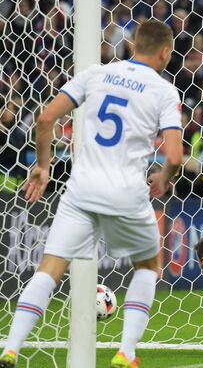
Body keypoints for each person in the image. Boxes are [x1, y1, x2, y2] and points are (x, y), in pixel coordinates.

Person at [0, 20, 183, 368]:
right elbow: (174, 156)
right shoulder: (163, 91)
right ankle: (126, 352)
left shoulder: (95, 74)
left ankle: (11, 345)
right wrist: (164, 176)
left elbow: (44, 119)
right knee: (148, 266)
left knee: (48, 270)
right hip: (126, 193)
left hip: (80, 190)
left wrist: (43, 165)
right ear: (164, 52)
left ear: (132, 45)